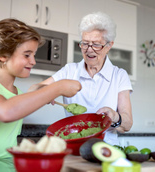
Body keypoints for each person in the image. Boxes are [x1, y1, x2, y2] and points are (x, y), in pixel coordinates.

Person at [0, 18, 81, 159]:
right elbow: (5, 112)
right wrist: (57, 87)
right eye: (27, 55)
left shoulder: (17, 93)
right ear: (2, 55)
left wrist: (20, 147)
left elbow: (0, 139)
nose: (33, 61)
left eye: (34, 55)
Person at [29, 12, 133, 145]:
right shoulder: (69, 70)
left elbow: (128, 124)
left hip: (106, 148)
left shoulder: (119, 75)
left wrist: (114, 116)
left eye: (96, 44)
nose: (89, 50)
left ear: (109, 46)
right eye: (85, 43)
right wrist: (48, 91)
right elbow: (33, 90)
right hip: (73, 146)